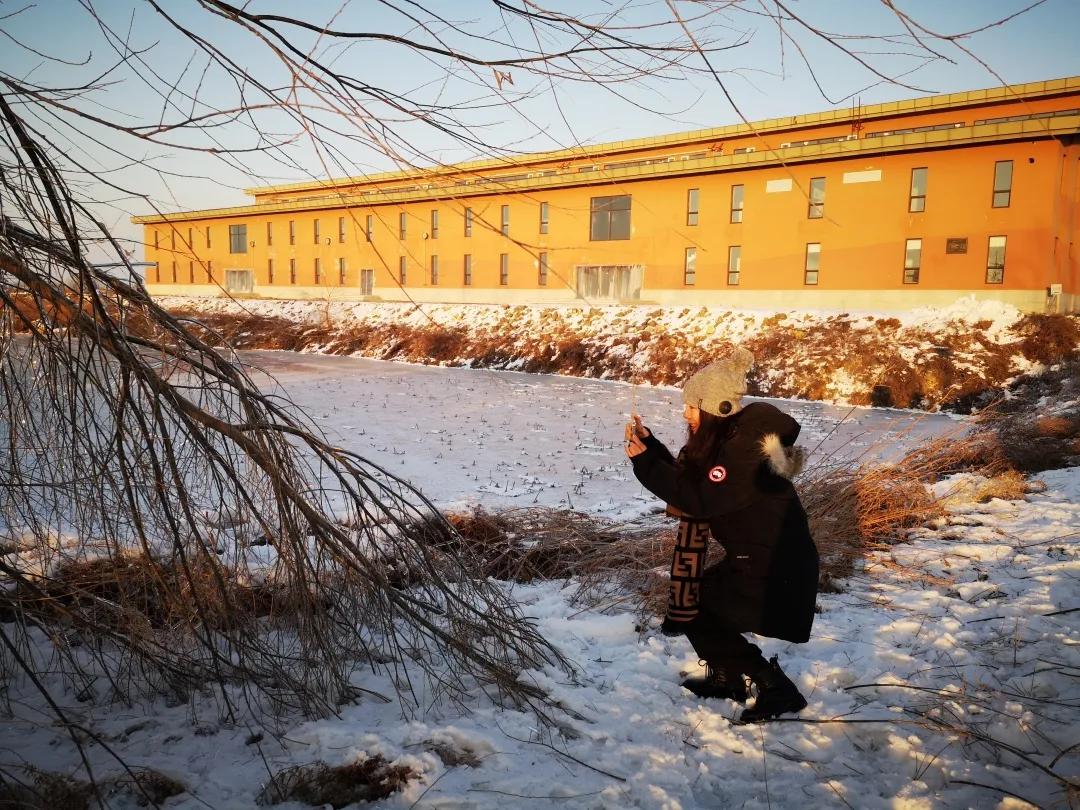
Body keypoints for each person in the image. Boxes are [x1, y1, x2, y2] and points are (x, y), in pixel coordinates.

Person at [624, 348, 818, 723]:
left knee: (698, 608)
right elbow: (698, 482)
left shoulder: (745, 453)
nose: (685, 414)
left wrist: (645, 463)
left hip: (775, 565)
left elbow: (700, 499)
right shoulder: (736, 442)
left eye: (692, 407)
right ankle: (728, 678)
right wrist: (654, 449)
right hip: (763, 558)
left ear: (718, 408)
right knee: (698, 604)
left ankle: (776, 688)